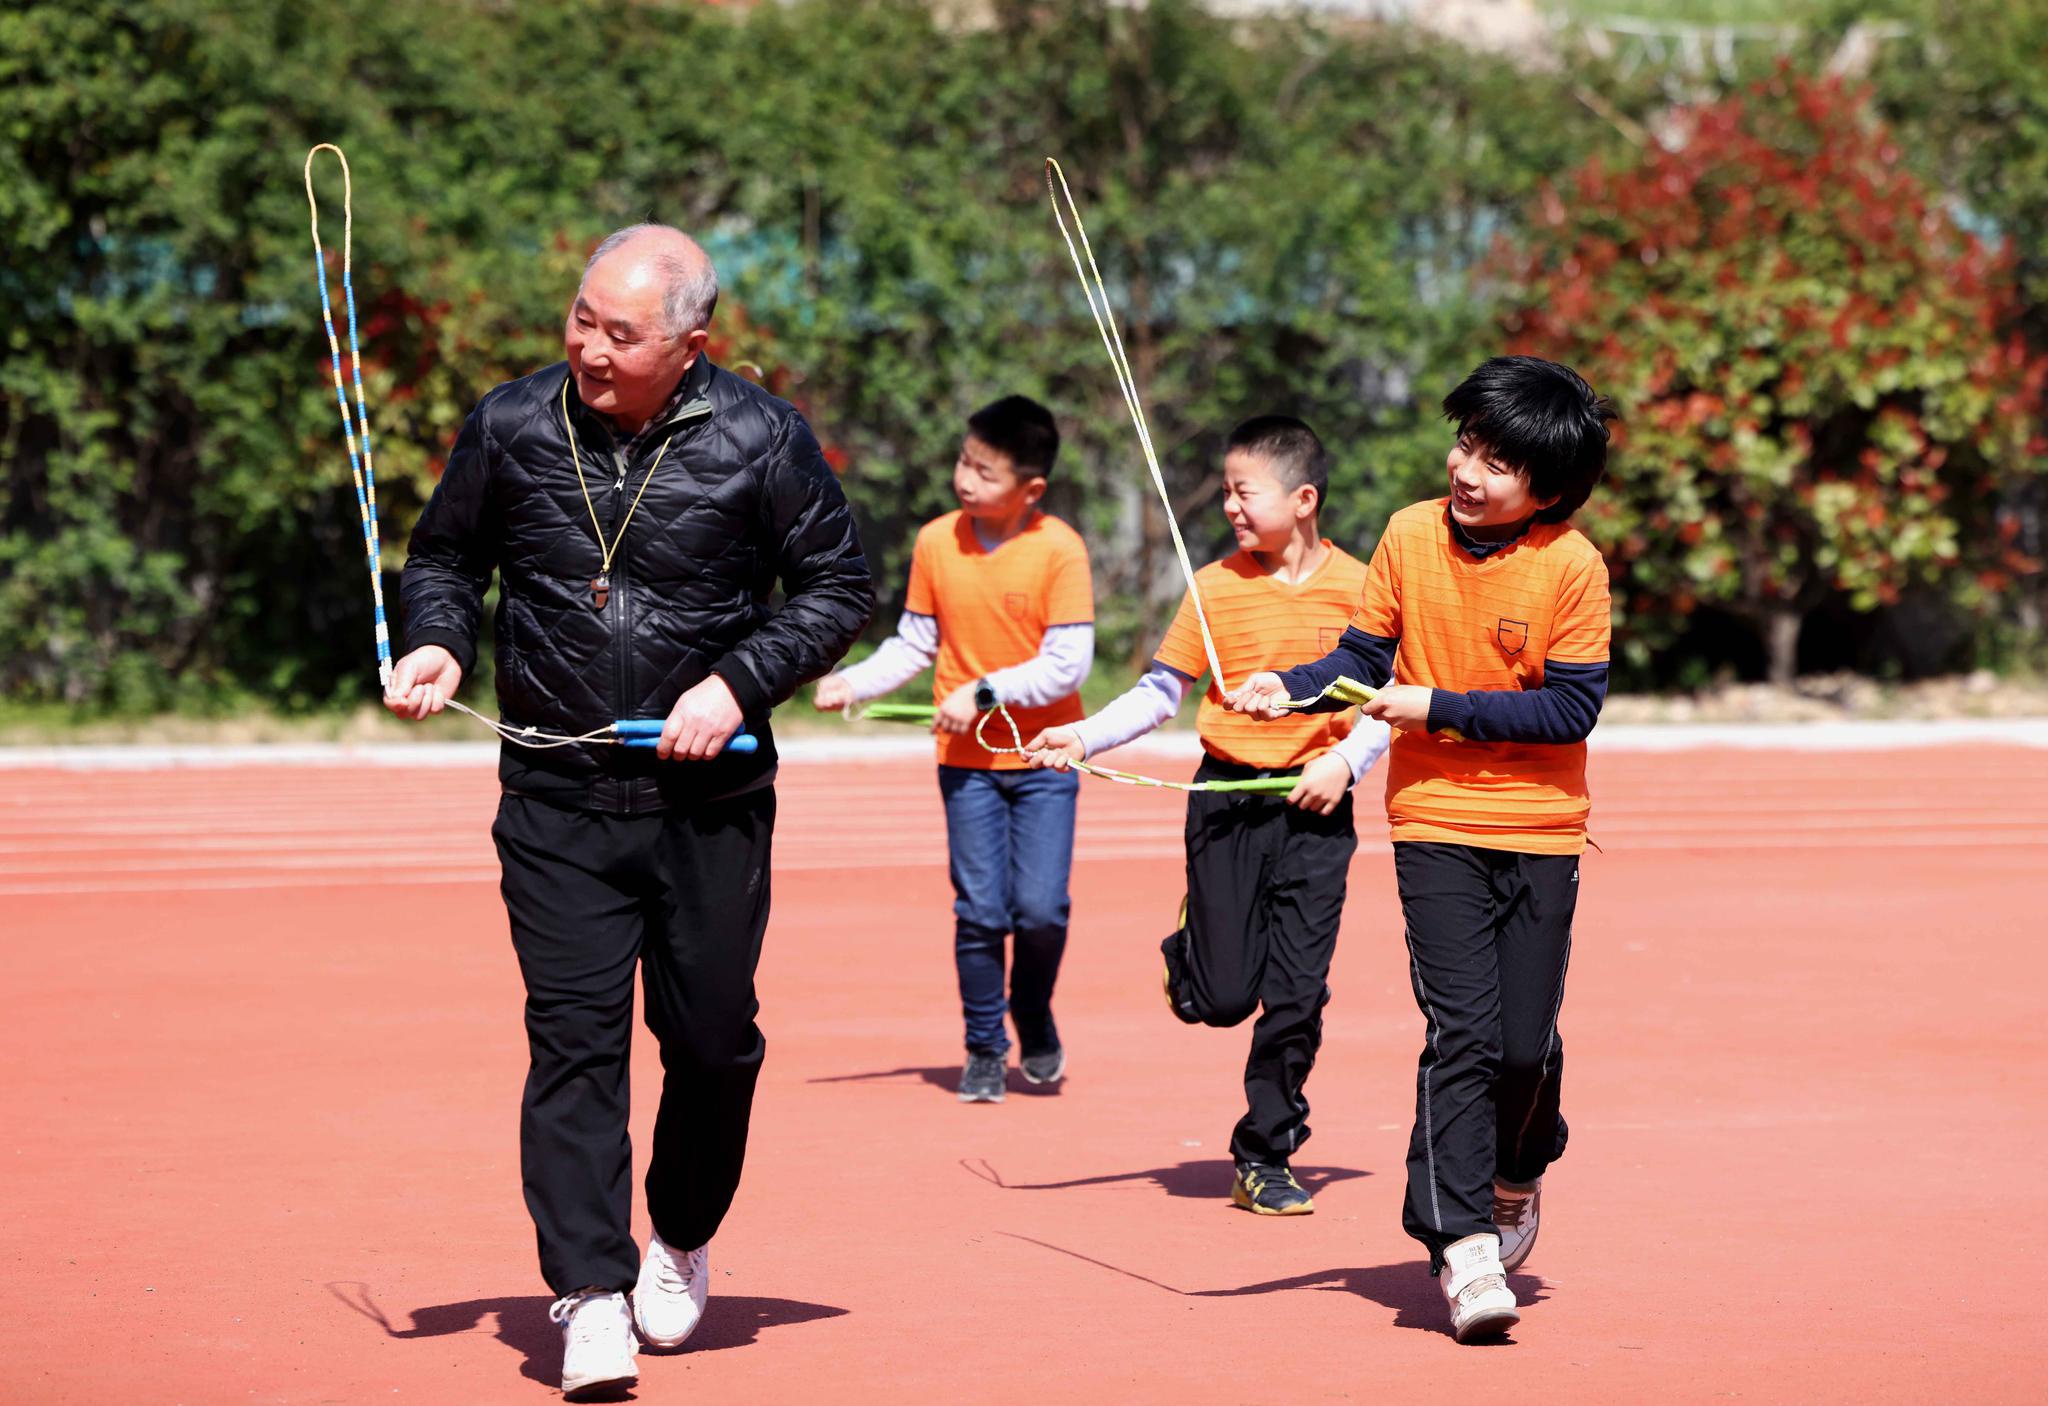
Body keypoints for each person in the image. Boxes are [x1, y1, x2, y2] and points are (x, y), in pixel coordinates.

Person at [387, 225, 873, 1397]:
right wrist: (439, 642)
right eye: (580, 318)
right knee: (573, 1044)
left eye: (621, 333)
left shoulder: (763, 436)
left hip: (708, 803)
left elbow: (836, 587)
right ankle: (589, 1292)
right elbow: (443, 559)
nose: (590, 349)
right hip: (555, 797)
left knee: (711, 1042)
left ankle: (682, 1230)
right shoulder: (511, 423)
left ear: (690, 344)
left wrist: (738, 681)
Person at [1227, 356, 1616, 1343]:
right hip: (1434, 821)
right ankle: (1462, 1244)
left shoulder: (1573, 566)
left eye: (1497, 463)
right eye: (1466, 446)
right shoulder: (1407, 533)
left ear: (1548, 490)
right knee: (1462, 1033)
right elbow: (1359, 660)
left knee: (1523, 1048)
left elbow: (1570, 708)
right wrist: (1290, 687)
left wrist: (1437, 703)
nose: (1467, 471)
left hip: (1540, 828)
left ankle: (1520, 1164)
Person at [1023, 416, 1388, 1215]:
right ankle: (1193, 949)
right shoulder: (1214, 586)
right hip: (1225, 803)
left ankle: (1265, 1151)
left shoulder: (1364, 589)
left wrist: (1344, 763)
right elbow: (1160, 692)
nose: (1229, 506)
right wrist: (1082, 735)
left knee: (1298, 994)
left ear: (1303, 500)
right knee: (1222, 1000)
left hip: (1316, 808)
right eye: (1225, 490)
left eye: (1243, 491)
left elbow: (1386, 700)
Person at [813, 396, 1093, 1103]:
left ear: (1031, 488)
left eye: (985, 472)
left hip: (1045, 759)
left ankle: (1032, 1010)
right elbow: (915, 643)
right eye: (964, 463)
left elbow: (1068, 665)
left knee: (1040, 912)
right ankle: (983, 1046)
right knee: (980, 911)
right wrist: (852, 683)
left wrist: (986, 692)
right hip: (966, 764)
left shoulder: (1061, 549)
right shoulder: (937, 541)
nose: (965, 480)